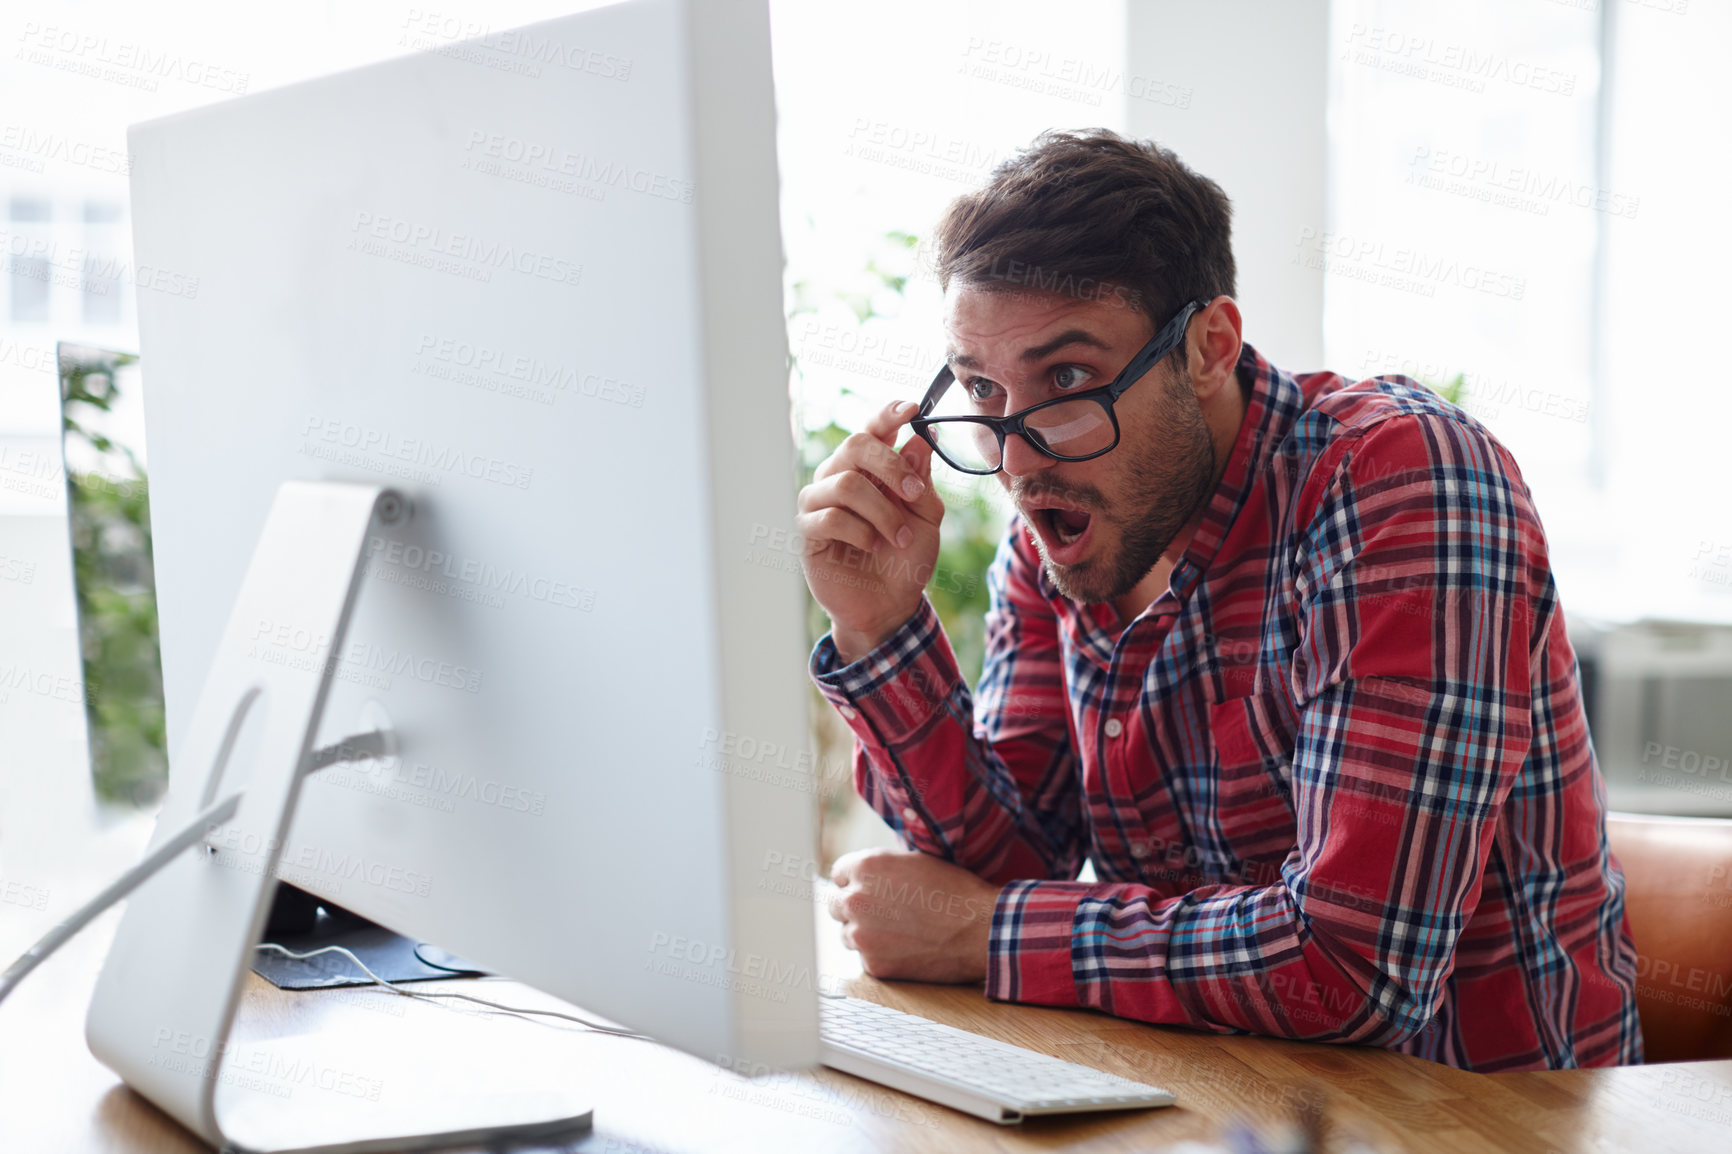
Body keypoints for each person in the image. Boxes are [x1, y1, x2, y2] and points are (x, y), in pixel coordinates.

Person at [798, 129, 1641, 1073]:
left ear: (1209, 346)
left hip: (1474, 1121)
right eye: (984, 390)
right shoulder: (1069, 532)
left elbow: (1352, 966)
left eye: (1068, 380)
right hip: (1210, 1099)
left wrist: (985, 934)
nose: (1018, 460)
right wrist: (876, 624)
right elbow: (1007, 862)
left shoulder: (1401, 483)